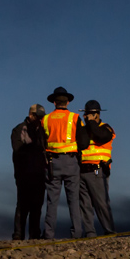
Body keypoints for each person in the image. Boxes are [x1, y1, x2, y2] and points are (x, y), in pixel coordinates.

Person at [41, 86, 89, 240]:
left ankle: (48, 235)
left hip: (52, 163)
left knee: (52, 201)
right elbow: (84, 142)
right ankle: (77, 234)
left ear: (54, 103)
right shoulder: (75, 118)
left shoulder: (46, 119)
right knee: (73, 200)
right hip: (71, 162)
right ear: (67, 102)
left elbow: (40, 142)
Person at [10, 104, 48, 241]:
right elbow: (18, 148)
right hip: (24, 174)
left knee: (37, 206)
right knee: (23, 205)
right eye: (38, 117)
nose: (40, 120)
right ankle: (18, 235)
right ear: (31, 115)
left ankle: (34, 235)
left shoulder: (42, 131)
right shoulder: (19, 129)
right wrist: (36, 151)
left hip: (39, 174)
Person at [79, 99, 116, 235]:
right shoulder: (84, 129)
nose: (85, 117)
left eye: (88, 114)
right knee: (85, 205)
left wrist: (91, 123)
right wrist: (86, 125)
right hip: (82, 171)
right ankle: (90, 233)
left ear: (96, 115)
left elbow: (101, 137)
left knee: (101, 203)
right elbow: (82, 144)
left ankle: (110, 231)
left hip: (98, 171)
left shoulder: (106, 128)